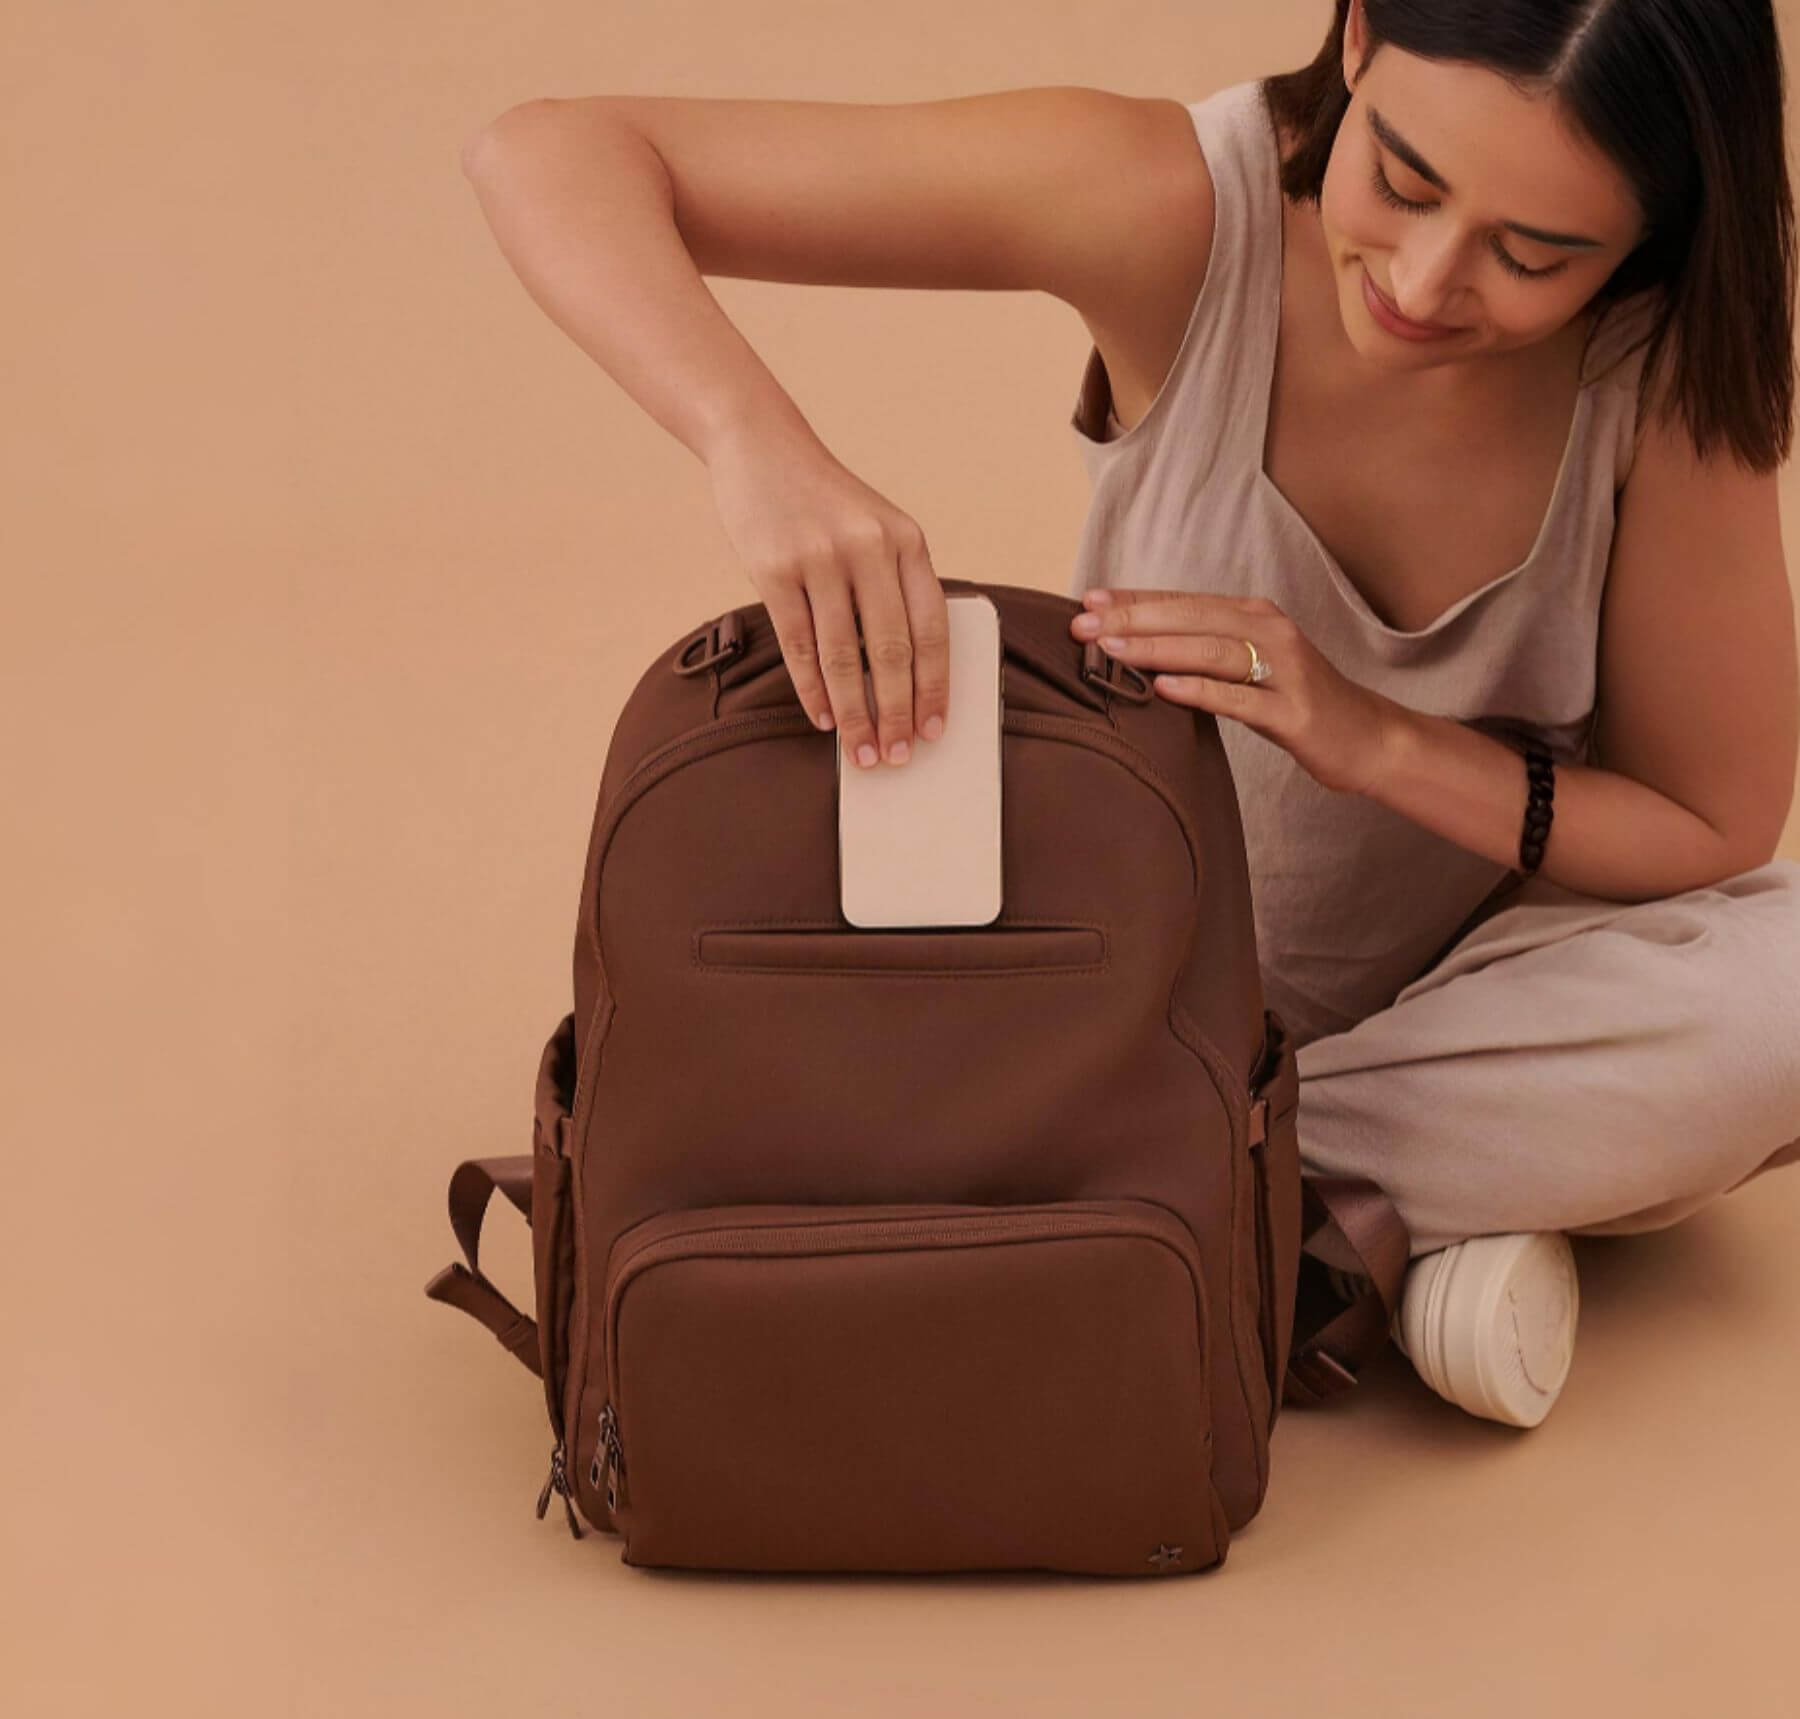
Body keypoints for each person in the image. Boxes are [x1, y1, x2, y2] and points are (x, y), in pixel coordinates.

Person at [459, 0, 1800, 1429]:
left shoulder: (1656, 372)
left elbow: (1710, 828)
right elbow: (550, 153)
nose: (1421, 278)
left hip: (1478, 1007)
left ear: (1650, 236)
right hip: (1121, 1004)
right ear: (1355, 39)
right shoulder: (1175, 206)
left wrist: (1377, 739)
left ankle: (1145, 1198)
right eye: (1403, 181)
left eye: (1534, 256)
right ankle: (1350, 1219)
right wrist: (760, 450)